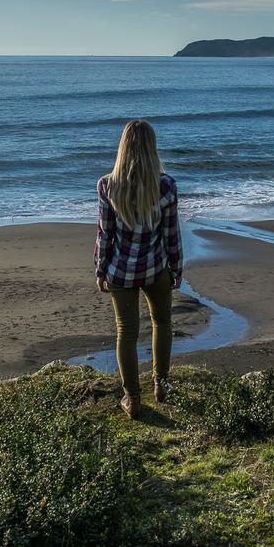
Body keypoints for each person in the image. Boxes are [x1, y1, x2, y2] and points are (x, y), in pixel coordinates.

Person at [94, 119, 183, 420]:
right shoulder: (166, 185)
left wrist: (100, 269)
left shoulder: (108, 185)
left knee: (127, 333)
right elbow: (172, 234)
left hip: (121, 271)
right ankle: (163, 383)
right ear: (151, 148)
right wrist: (177, 267)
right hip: (156, 267)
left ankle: (132, 397)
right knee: (162, 322)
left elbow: (105, 234)